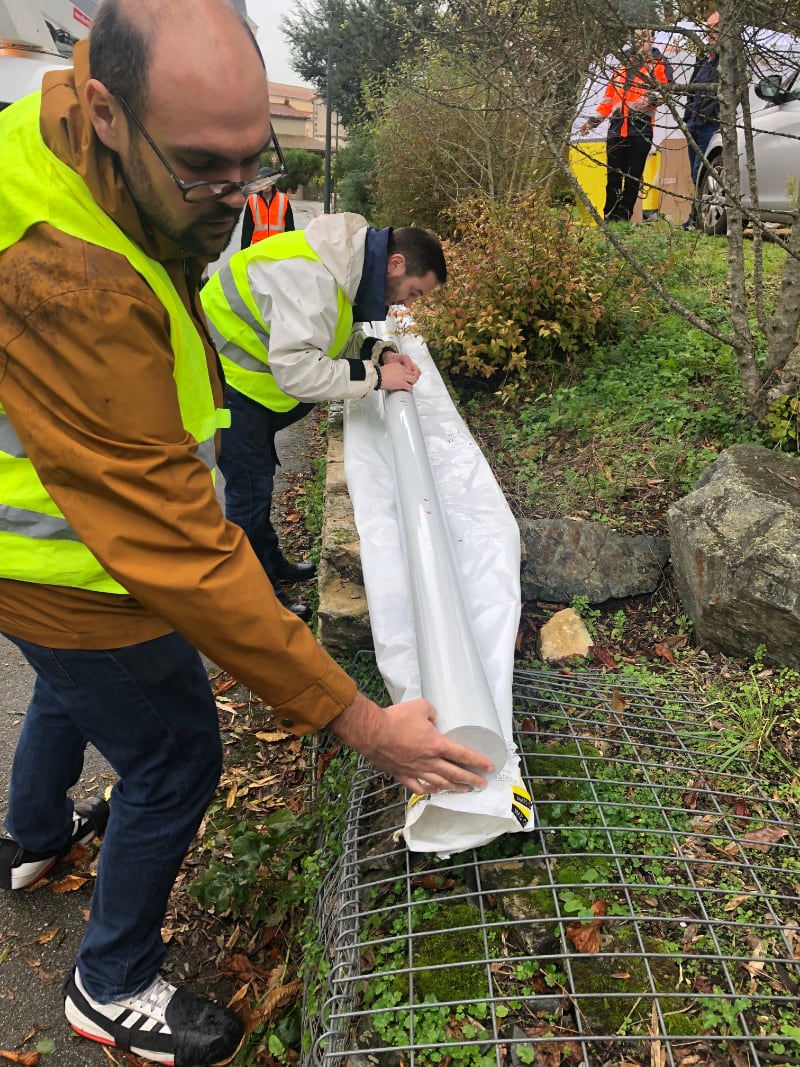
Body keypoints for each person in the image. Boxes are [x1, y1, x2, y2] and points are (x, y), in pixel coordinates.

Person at [0, 2, 492, 1065]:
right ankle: (111, 979)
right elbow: (180, 547)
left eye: (247, 163)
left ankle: (31, 837)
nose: (234, 197)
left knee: (70, 688)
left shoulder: (75, 139)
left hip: (48, 554)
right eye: (201, 170)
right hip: (72, 562)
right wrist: (361, 721)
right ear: (106, 108)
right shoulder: (64, 272)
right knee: (176, 754)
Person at [201, 216, 445, 621]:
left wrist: (377, 351)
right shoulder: (313, 277)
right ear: (396, 264)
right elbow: (298, 371)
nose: (407, 304)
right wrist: (379, 377)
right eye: (414, 292)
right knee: (248, 490)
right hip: (223, 380)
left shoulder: (344, 265)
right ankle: (254, 598)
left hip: (244, 379)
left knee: (257, 483)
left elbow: (329, 334)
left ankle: (268, 561)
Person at [579, 29, 674, 222]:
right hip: (615, 130)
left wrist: (648, 100)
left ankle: (623, 219)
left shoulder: (660, 64)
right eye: (637, 38)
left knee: (632, 179)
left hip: (640, 129)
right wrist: (592, 121)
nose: (639, 42)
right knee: (613, 178)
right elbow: (608, 101)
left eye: (644, 38)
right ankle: (609, 218)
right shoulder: (622, 66)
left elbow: (667, 90)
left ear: (653, 39)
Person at [682, 11, 721, 231]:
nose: (710, 33)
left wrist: (714, 115)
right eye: (708, 28)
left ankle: (697, 218)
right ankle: (697, 216)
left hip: (711, 124)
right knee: (694, 172)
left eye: (715, 28)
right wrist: (688, 117)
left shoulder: (729, 59)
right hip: (694, 123)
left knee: (701, 171)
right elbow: (692, 88)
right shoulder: (704, 57)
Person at [240, 174, 294, 247]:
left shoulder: (283, 200)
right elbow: (247, 229)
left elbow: (290, 227)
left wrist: (290, 248)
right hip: (259, 247)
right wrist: (244, 251)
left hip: (278, 246)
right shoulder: (252, 201)